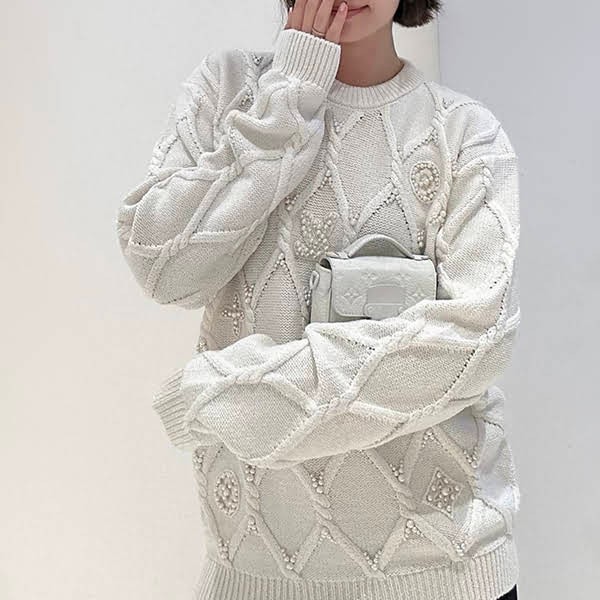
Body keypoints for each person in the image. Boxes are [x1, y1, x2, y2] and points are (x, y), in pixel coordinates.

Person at [115, 1, 521, 598]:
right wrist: (288, 98)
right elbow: (164, 269)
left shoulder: (465, 133)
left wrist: (225, 393)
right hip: (256, 573)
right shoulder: (228, 90)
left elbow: (471, 345)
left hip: (445, 573)